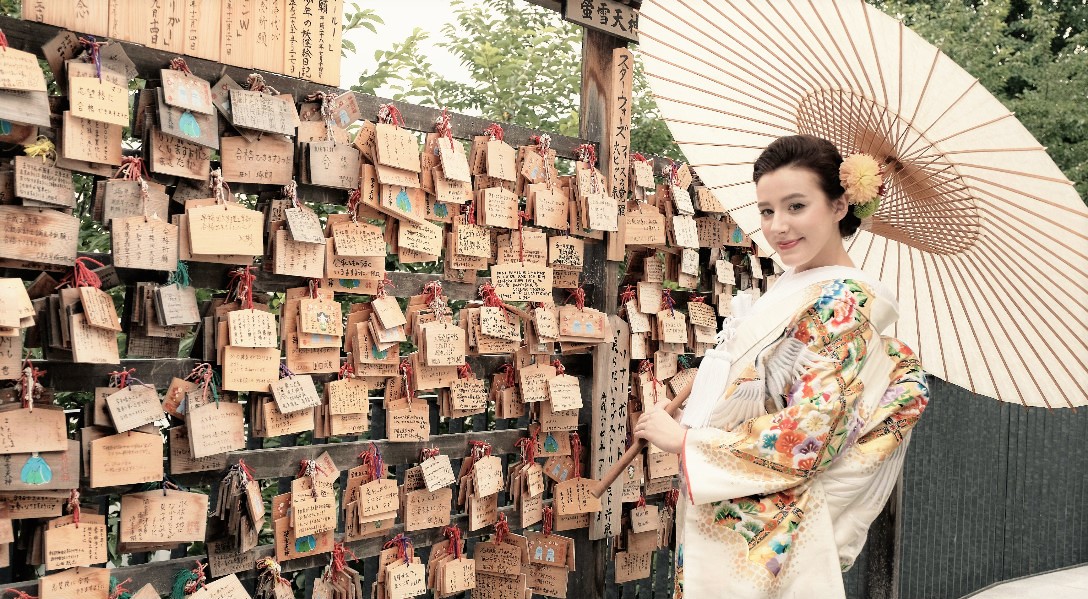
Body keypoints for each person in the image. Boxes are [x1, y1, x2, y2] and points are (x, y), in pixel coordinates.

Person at [633, 135, 930, 598]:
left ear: (839, 206)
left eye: (796, 206)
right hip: (734, 506)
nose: (778, 227)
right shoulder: (796, 285)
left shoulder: (844, 301)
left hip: (770, 524)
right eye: (767, 210)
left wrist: (690, 442)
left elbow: (808, 433)